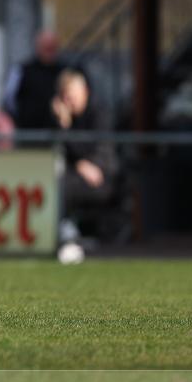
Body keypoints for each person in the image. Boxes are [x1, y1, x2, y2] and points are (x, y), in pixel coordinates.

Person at [51, 69, 122, 250]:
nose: (69, 102)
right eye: (65, 97)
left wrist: (66, 130)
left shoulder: (100, 113)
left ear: (85, 92)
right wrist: (61, 125)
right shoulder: (61, 117)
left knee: (62, 186)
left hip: (103, 177)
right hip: (75, 174)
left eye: (72, 97)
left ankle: (67, 233)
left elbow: (96, 150)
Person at [5, 30, 64, 129]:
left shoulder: (63, 70)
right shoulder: (22, 70)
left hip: (57, 131)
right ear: (37, 47)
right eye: (46, 47)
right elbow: (10, 100)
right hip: (28, 131)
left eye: (52, 47)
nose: (49, 51)